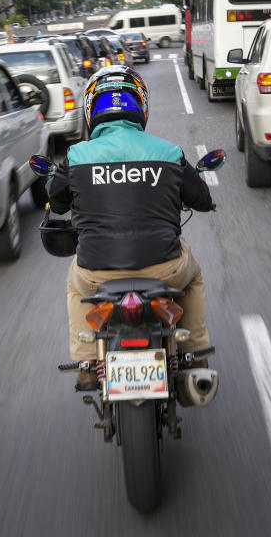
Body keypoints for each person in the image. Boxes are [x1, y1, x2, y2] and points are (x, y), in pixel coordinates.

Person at [48, 66, 215, 390]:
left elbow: (57, 202)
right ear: (141, 108)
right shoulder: (169, 152)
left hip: (97, 274)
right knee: (193, 275)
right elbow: (202, 198)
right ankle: (194, 352)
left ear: (91, 111)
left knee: (73, 282)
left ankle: (87, 360)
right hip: (165, 270)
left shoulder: (75, 157)